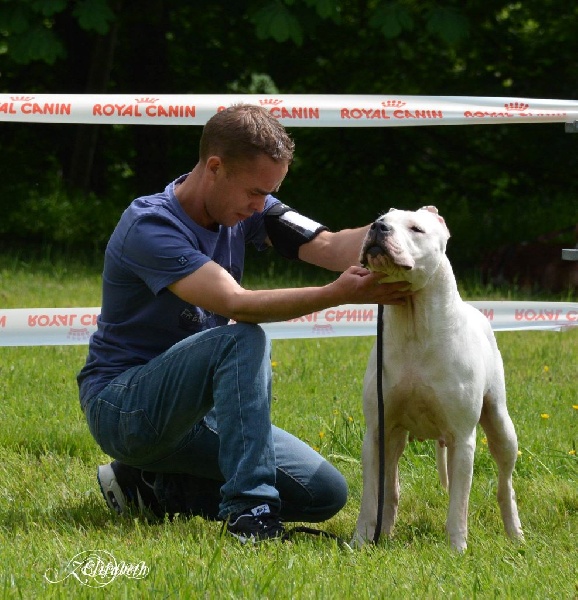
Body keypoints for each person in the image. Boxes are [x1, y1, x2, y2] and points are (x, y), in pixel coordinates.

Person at [77, 103, 410, 544]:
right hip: (124, 406)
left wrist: (401, 228)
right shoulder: (150, 226)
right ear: (215, 167)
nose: (260, 207)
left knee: (324, 493)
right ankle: (250, 515)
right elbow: (236, 302)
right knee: (240, 339)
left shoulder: (249, 208)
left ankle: (150, 487)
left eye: (268, 194)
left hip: (197, 411)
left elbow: (330, 247)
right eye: (255, 192)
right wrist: (337, 295)